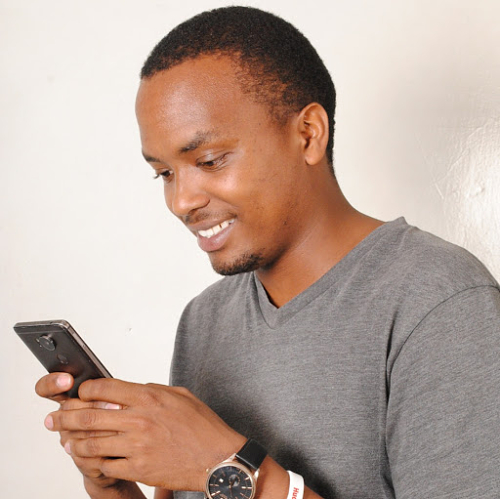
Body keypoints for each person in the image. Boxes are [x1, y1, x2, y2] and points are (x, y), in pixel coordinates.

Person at [35, 6, 500, 499]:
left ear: (308, 134)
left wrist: (230, 468)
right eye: (165, 174)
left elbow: (219, 473)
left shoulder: (441, 303)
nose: (181, 202)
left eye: (209, 160)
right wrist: (114, 485)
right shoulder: (205, 320)